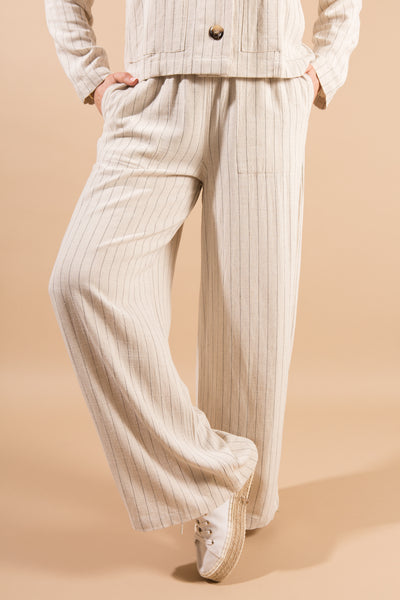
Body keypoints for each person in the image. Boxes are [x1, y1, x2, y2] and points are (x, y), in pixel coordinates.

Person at [44, 0, 362, 582]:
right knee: (83, 277)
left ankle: (239, 500)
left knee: (253, 315)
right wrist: (93, 78)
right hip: (155, 93)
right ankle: (211, 472)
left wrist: (323, 68)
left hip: (266, 91)